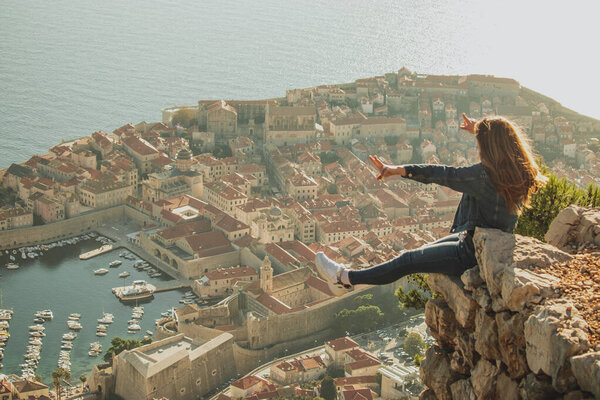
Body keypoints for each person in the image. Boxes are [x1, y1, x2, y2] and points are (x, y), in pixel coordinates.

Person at [315, 114, 547, 295]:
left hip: (470, 253)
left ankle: (344, 278)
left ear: (489, 146)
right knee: (417, 253)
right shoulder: (521, 172)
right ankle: (344, 278)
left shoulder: (484, 176)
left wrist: (399, 170)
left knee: (407, 261)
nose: (478, 148)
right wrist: (479, 129)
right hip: (484, 241)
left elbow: (442, 174)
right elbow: (498, 137)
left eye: (480, 143)